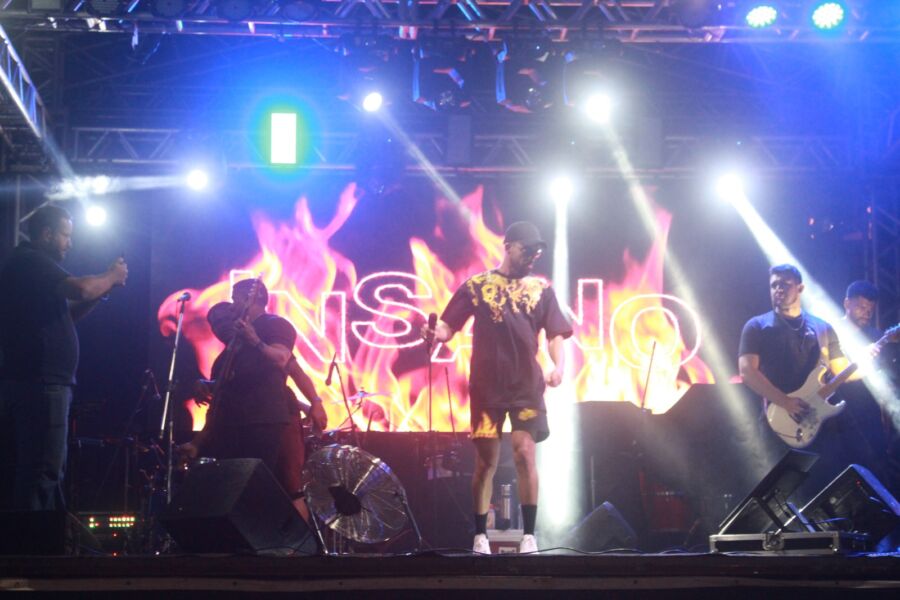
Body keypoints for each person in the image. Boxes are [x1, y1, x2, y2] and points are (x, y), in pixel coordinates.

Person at [423, 221, 572, 554]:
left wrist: (558, 367)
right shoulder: (477, 286)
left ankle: (529, 536)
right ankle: (480, 535)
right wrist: (435, 333)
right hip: (487, 388)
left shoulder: (541, 290)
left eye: (536, 252)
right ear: (508, 246)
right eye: (526, 249)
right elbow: (448, 326)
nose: (531, 256)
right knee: (485, 461)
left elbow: (556, 334)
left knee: (524, 452)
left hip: (526, 387)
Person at [0, 204, 128, 511]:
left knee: (47, 470)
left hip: (42, 382)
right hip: (42, 382)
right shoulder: (31, 261)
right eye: (65, 235)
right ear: (46, 234)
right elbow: (81, 290)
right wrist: (111, 275)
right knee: (42, 471)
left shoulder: (30, 267)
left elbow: (68, 314)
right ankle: (31, 539)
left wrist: (104, 288)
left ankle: (44, 534)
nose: (70, 243)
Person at [178, 284, 326, 515]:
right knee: (236, 489)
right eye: (215, 323)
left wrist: (315, 402)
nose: (220, 325)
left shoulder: (272, 326)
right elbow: (220, 405)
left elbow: (288, 364)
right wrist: (198, 441)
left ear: (251, 299)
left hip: (268, 421)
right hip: (235, 425)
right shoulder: (227, 355)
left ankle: (290, 537)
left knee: (280, 486)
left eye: (234, 300)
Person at [738, 264, 861, 499]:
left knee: (826, 493)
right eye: (774, 285)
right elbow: (747, 371)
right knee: (783, 497)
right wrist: (785, 402)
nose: (778, 289)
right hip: (778, 423)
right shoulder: (757, 326)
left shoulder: (822, 327)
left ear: (800, 288)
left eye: (784, 284)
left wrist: (871, 358)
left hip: (819, 424)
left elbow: (842, 371)